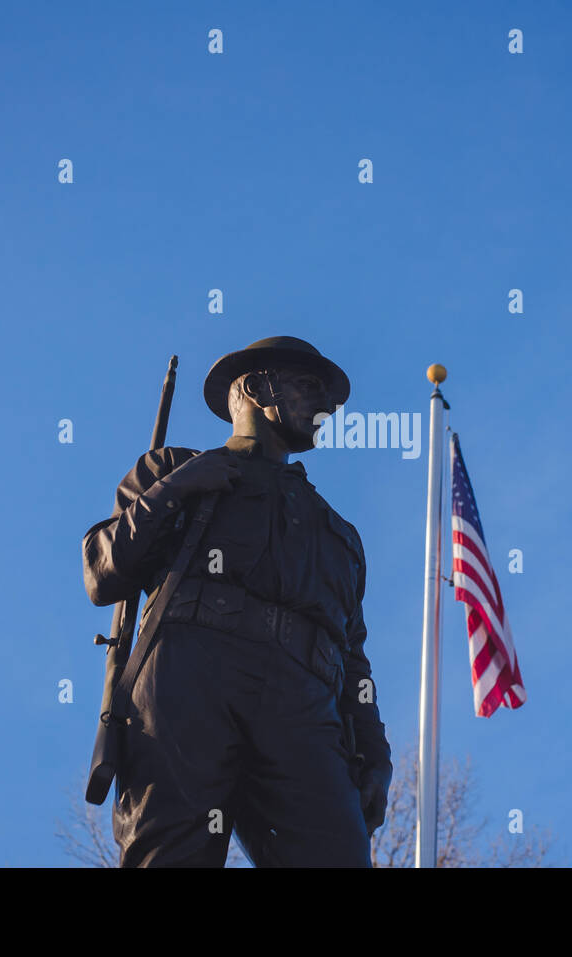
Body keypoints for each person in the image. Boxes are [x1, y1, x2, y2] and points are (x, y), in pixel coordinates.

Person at [82, 336, 392, 866]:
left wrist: (374, 750)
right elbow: (103, 570)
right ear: (256, 387)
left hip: (306, 704)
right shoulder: (173, 470)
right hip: (187, 683)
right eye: (309, 386)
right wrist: (176, 488)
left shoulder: (338, 533)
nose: (327, 406)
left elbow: (353, 655)